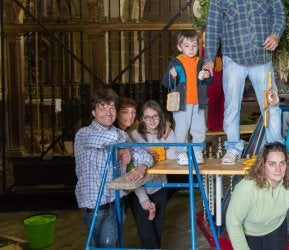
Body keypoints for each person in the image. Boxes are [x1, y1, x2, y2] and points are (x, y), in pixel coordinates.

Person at [203, 0, 286, 165]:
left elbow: (279, 13)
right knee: (231, 106)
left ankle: (275, 148)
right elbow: (212, 28)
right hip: (233, 60)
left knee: (271, 105)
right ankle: (233, 148)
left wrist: (276, 35)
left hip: (262, 60)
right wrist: (209, 60)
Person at [74, 88, 153, 248]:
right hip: (96, 205)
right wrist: (123, 148)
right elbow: (108, 138)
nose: (108, 112)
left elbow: (146, 156)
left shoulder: (121, 134)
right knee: (107, 245)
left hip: (117, 201)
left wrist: (141, 167)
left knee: (115, 244)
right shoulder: (84, 134)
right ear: (93, 112)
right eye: (101, 108)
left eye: (111, 107)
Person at [226, 142, 289, 250]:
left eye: (282, 163)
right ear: (263, 165)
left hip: (276, 228)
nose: (278, 169)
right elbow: (233, 222)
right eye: (272, 164)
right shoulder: (246, 188)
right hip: (251, 233)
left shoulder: (286, 180)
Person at [128, 100, 177, 249]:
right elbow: (131, 168)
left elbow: (175, 154)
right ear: (142, 118)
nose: (151, 120)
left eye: (155, 116)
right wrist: (142, 197)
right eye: (147, 117)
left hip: (160, 186)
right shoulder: (134, 135)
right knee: (146, 230)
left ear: (161, 116)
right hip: (139, 188)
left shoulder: (166, 132)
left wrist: (156, 154)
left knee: (157, 227)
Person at [162, 30, 213, 164]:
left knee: (199, 129)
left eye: (194, 46)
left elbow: (209, 82)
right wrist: (172, 76)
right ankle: (181, 153)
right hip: (181, 104)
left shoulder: (201, 62)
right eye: (186, 45)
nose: (191, 49)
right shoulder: (175, 63)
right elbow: (166, 83)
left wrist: (207, 76)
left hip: (198, 104)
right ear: (179, 47)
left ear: (198, 46)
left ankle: (197, 152)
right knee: (181, 130)